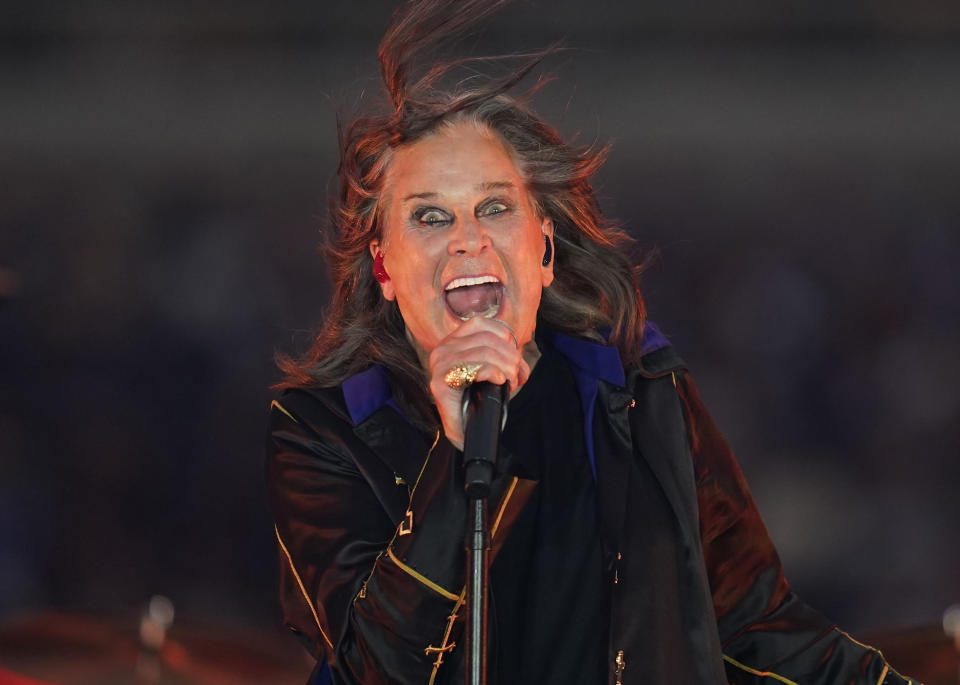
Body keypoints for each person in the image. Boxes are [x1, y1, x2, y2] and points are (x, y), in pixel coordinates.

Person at [266, 1, 916, 683]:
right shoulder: (320, 430)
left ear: (543, 249)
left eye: (495, 206)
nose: (467, 237)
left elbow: (758, 632)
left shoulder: (637, 394)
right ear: (383, 267)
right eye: (430, 215)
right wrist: (452, 467)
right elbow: (374, 667)